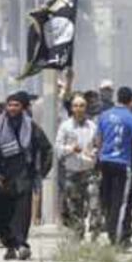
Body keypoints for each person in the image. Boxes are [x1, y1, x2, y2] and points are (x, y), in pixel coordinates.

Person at [0, 91, 53, 261]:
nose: (12, 108)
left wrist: (41, 172)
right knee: (1, 215)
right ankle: (9, 245)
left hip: (23, 175)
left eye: (16, 105)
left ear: (23, 107)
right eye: (10, 105)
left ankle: (21, 244)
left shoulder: (32, 128)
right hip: (2, 177)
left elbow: (47, 149)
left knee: (21, 214)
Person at [95, 87, 132, 248]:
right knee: (121, 202)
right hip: (122, 165)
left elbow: (98, 141)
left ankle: (112, 234)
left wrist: (97, 161)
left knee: (107, 200)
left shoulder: (104, 115)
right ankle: (118, 238)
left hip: (105, 163)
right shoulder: (131, 118)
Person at [55, 93, 98, 238]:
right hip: (72, 172)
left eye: (82, 106)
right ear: (72, 108)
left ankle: (95, 232)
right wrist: (71, 149)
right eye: (76, 106)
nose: (79, 109)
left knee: (94, 201)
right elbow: (58, 149)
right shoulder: (65, 127)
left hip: (89, 171)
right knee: (75, 208)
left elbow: (98, 145)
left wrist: (94, 152)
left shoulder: (92, 126)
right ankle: (78, 236)